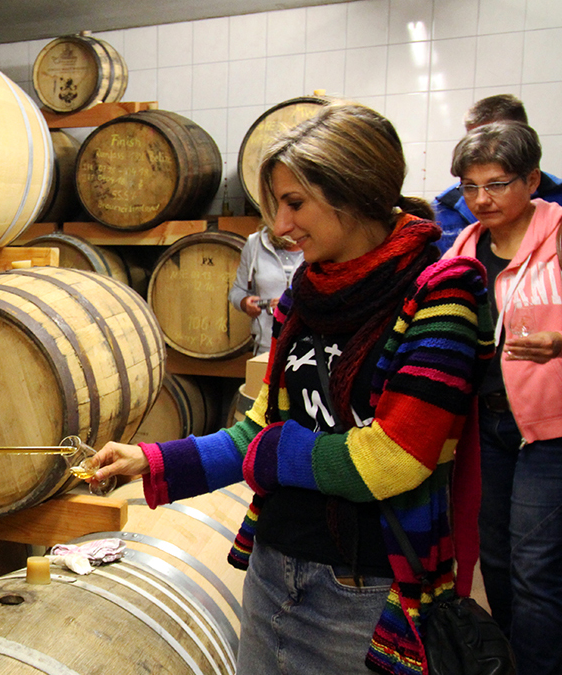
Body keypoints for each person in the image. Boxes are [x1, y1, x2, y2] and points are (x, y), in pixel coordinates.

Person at [87, 103, 493, 674]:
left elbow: (395, 458)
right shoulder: (304, 297)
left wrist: (276, 451)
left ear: (353, 192)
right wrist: (153, 459)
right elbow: (261, 425)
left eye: (295, 203)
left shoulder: (439, 298)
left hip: (364, 593)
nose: (280, 226)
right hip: (272, 571)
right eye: (277, 205)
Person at [443, 120, 562, 674]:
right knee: (492, 557)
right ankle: (510, 658)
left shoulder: (559, 236)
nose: (480, 200)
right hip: (485, 425)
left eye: (496, 184)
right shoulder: (462, 250)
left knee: (534, 565)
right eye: (469, 186)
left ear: (533, 178)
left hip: (549, 429)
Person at [433, 94, 562, 253]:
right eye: (475, 140)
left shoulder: (557, 200)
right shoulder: (445, 207)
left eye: (497, 185)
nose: (482, 200)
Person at [229, 224, 303, 354]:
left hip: (306, 348)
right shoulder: (255, 243)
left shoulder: (319, 243)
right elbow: (237, 291)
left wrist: (292, 306)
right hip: (267, 348)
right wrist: (245, 303)